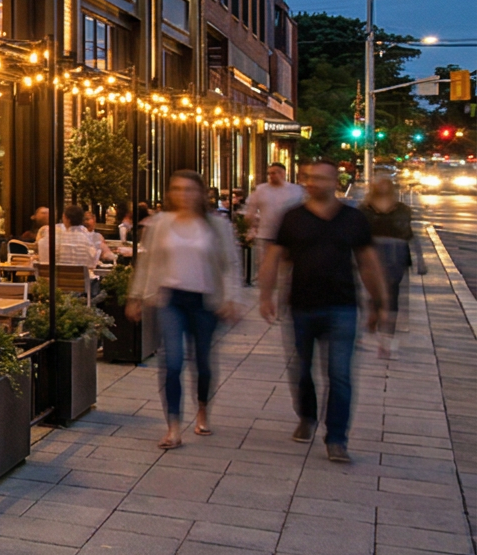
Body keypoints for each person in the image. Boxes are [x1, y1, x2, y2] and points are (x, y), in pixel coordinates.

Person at [260, 158, 387, 463]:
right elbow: (274, 258)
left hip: (342, 306)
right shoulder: (292, 218)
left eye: (320, 178)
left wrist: (380, 303)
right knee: (302, 370)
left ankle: (337, 438)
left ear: (335, 181)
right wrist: (266, 294)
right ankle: (307, 416)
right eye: (309, 177)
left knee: (340, 374)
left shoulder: (353, 219)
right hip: (302, 306)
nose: (313, 183)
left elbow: (368, 262)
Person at [129, 170, 244, 449]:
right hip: (170, 299)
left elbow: (230, 264)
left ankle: (202, 409)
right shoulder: (160, 224)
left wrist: (232, 298)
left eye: (190, 189)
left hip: (205, 301)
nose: (183, 195)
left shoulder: (217, 226)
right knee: (172, 361)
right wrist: (136, 296)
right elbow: (147, 263)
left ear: (201, 193)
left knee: (202, 363)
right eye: (177, 189)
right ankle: (173, 427)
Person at [362, 171, 421, 354]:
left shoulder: (402, 209)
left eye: (386, 183)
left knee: (392, 294)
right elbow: (357, 234)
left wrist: (420, 259)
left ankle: (387, 339)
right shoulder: (364, 209)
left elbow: (409, 233)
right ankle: (374, 312)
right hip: (372, 254)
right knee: (376, 292)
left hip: (397, 255)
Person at [243, 161, 304, 289]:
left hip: (289, 236)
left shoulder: (296, 191)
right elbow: (251, 209)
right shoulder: (261, 190)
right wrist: (251, 226)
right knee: (266, 265)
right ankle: (267, 289)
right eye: (269, 173)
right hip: (266, 234)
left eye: (274, 173)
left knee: (285, 267)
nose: (271, 176)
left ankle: (284, 289)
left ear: (283, 174)